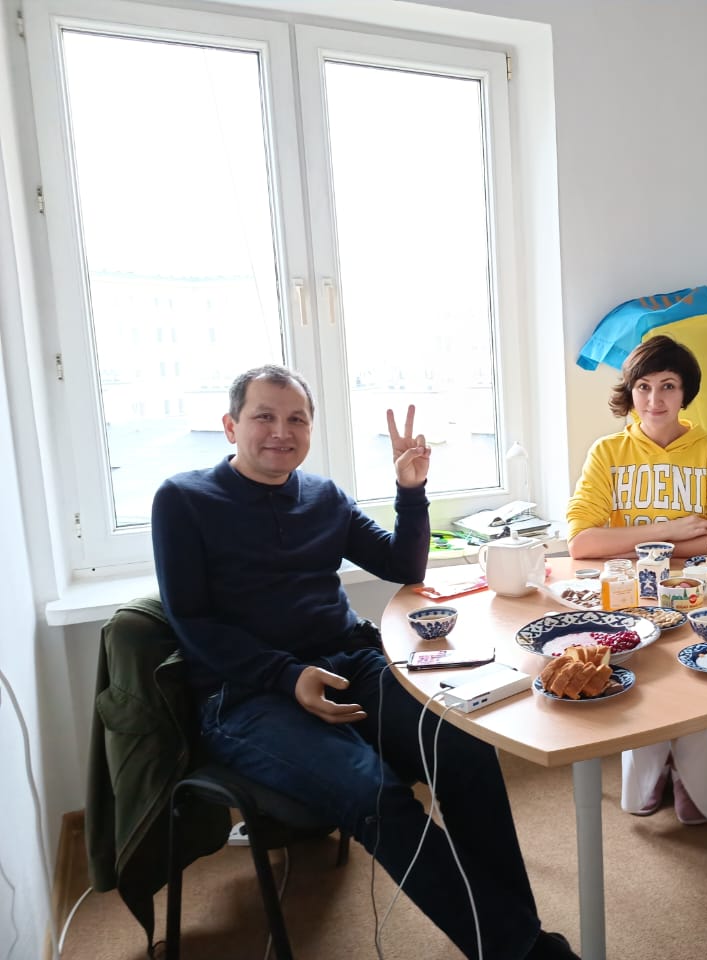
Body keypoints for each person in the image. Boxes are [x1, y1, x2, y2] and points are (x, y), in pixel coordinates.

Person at [152, 365, 577, 960]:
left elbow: (404, 566)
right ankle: (520, 951)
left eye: (296, 418)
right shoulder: (183, 499)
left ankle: (514, 932)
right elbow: (191, 621)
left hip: (349, 662)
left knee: (464, 747)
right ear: (230, 426)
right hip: (246, 694)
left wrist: (410, 489)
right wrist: (285, 675)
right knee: (372, 789)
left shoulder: (323, 496)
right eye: (264, 417)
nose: (282, 431)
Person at [565, 335, 707, 824]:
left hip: (698, 591)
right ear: (630, 393)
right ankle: (653, 770)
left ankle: (693, 776)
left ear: (684, 392)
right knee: (644, 673)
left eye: (668, 386)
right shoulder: (608, 452)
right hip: (628, 595)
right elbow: (582, 542)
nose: (655, 400)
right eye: (643, 387)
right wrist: (669, 531)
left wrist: (627, 543)